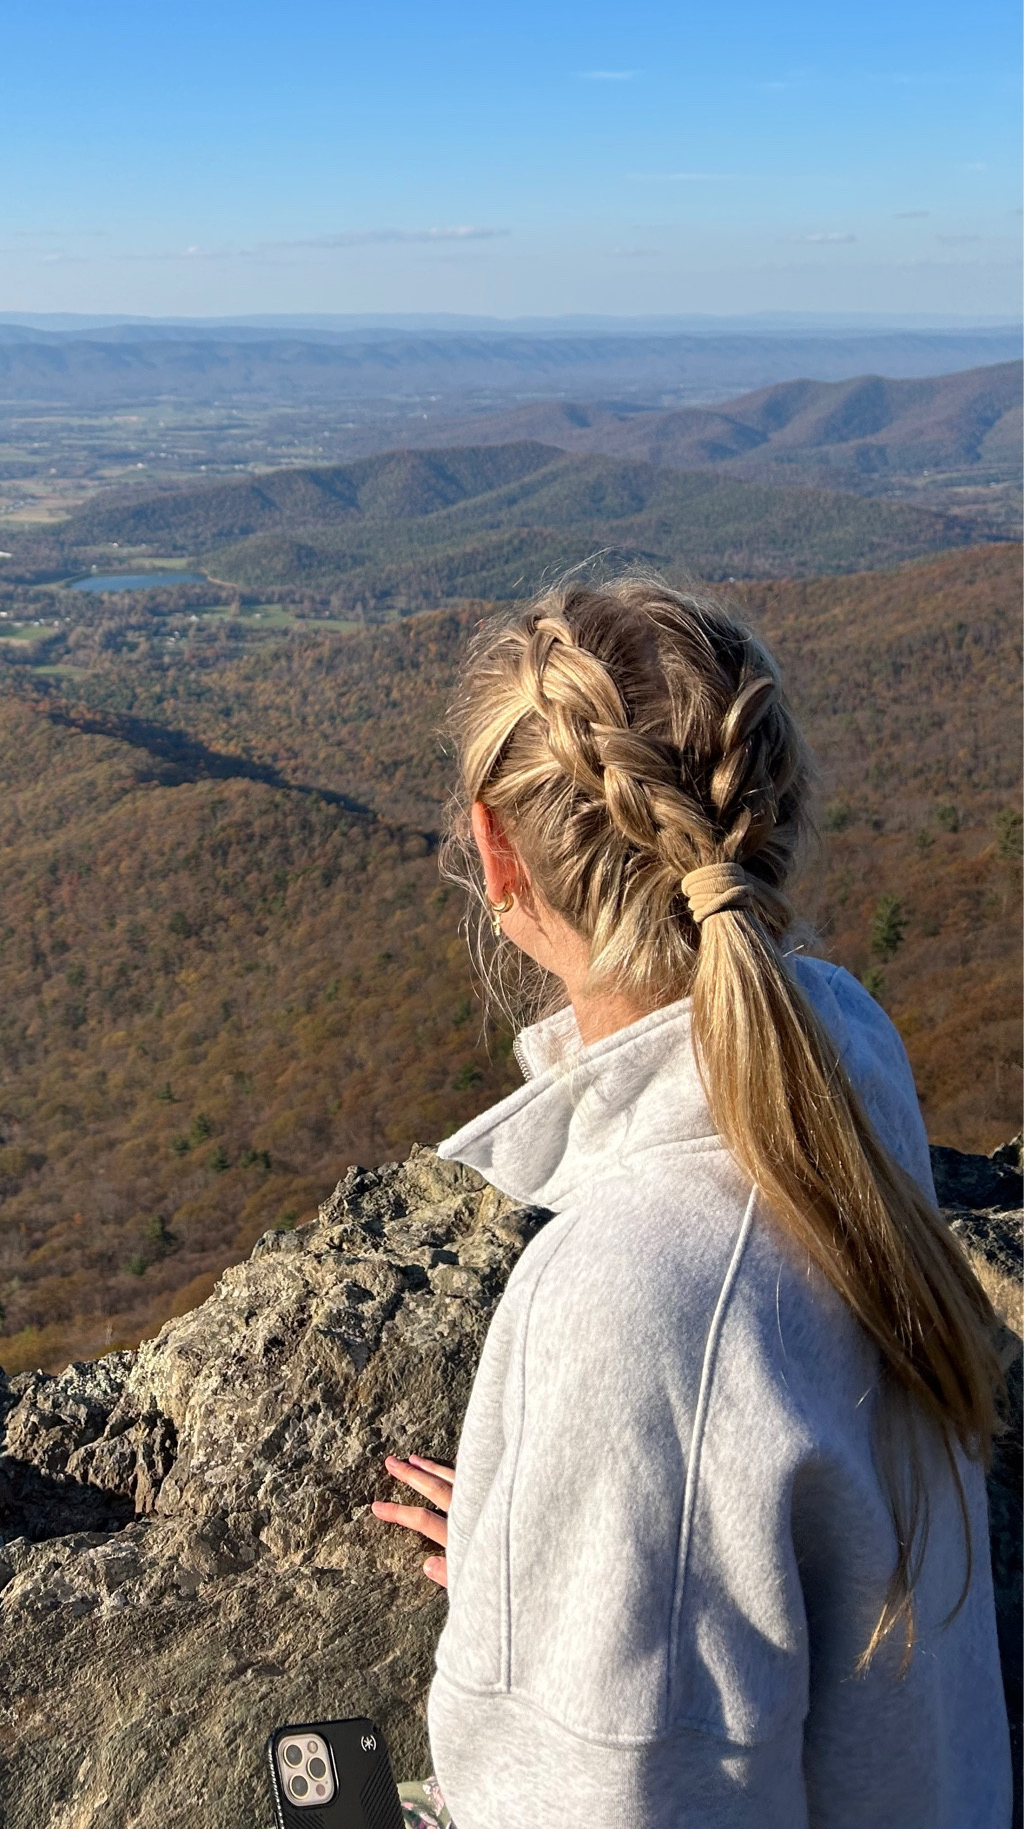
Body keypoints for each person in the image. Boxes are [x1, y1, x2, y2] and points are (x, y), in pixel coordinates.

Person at [369, 578, 1011, 1829]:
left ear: (499, 857)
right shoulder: (848, 1054)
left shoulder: (625, 1293)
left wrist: (596, 1506)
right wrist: (566, 1558)